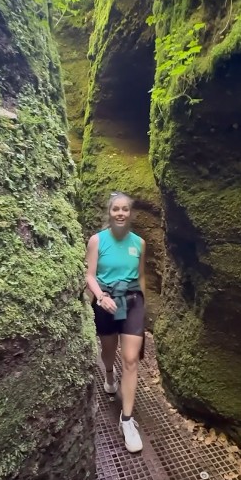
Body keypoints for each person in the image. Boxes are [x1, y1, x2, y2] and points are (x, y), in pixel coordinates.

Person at [85, 191, 147, 453]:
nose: (120, 213)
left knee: (131, 360)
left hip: (133, 301)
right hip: (107, 302)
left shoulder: (140, 243)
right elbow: (89, 276)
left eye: (125, 209)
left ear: (130, 213)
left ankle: (127, 420)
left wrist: (144, 308)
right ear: (109, 213)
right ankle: (109, 375)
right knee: (109, 352)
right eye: (115, 210)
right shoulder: (97, 241)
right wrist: (99, 297)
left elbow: (141, 276)